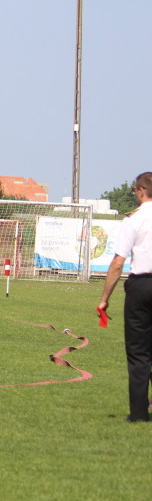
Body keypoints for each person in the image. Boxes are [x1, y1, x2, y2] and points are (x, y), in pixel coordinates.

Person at [98, 172, 152, 422]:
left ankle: (139, 414)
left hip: (142, 286)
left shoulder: (134, 220)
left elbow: (118, 262)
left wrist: (104, 298)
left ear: (141, 190)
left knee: (139, 352)